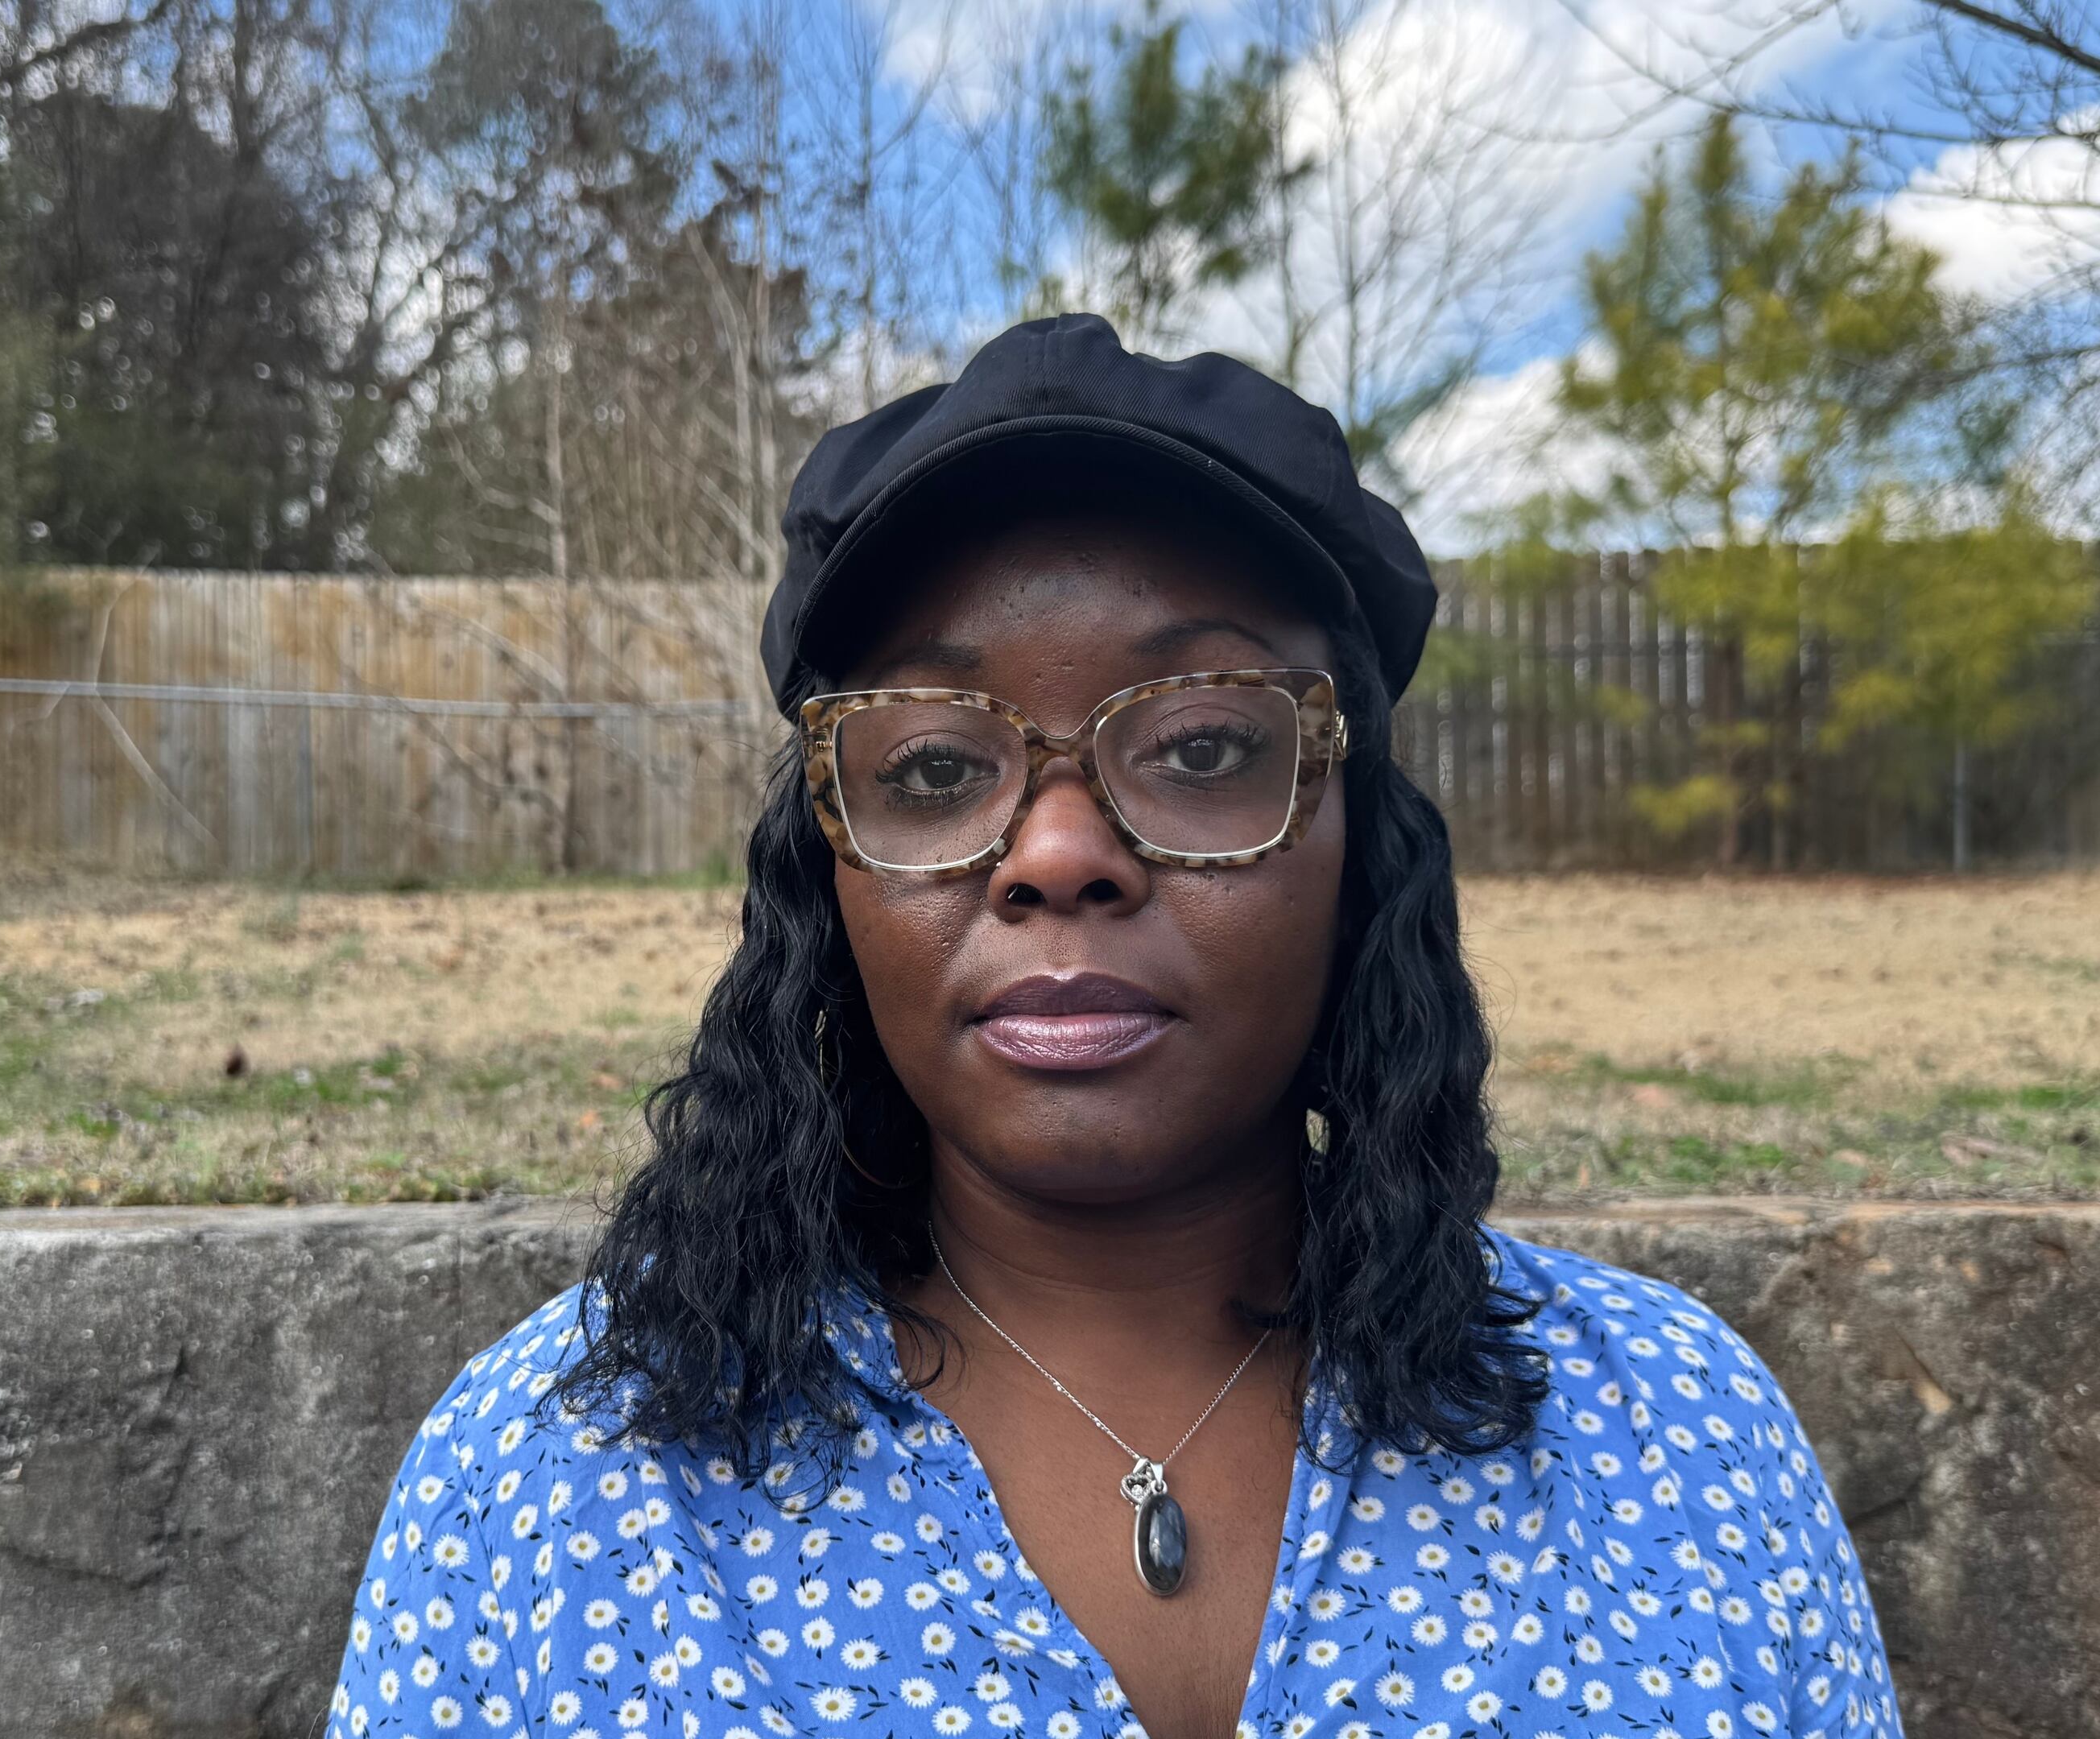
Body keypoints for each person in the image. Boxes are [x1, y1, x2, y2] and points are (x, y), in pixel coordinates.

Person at [322, 315, 1903, 1739]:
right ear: (831, 864)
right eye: (936, 770)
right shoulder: (563, 1484)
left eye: (1206, 744)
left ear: (1361, 846)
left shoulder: (1672, 1443)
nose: (1058, 852)